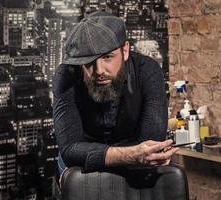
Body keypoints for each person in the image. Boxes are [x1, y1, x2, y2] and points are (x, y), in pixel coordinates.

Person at [53, 11, 178, 174]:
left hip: (131, 168)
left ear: (125, 50)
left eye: (107, 57)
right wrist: (131, 154)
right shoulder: (66, 75)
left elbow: (151, 147)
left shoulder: (148, 71)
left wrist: (93, 155)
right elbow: (70, 150)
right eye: (88, 61)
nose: (99, 71)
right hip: (84, 167)